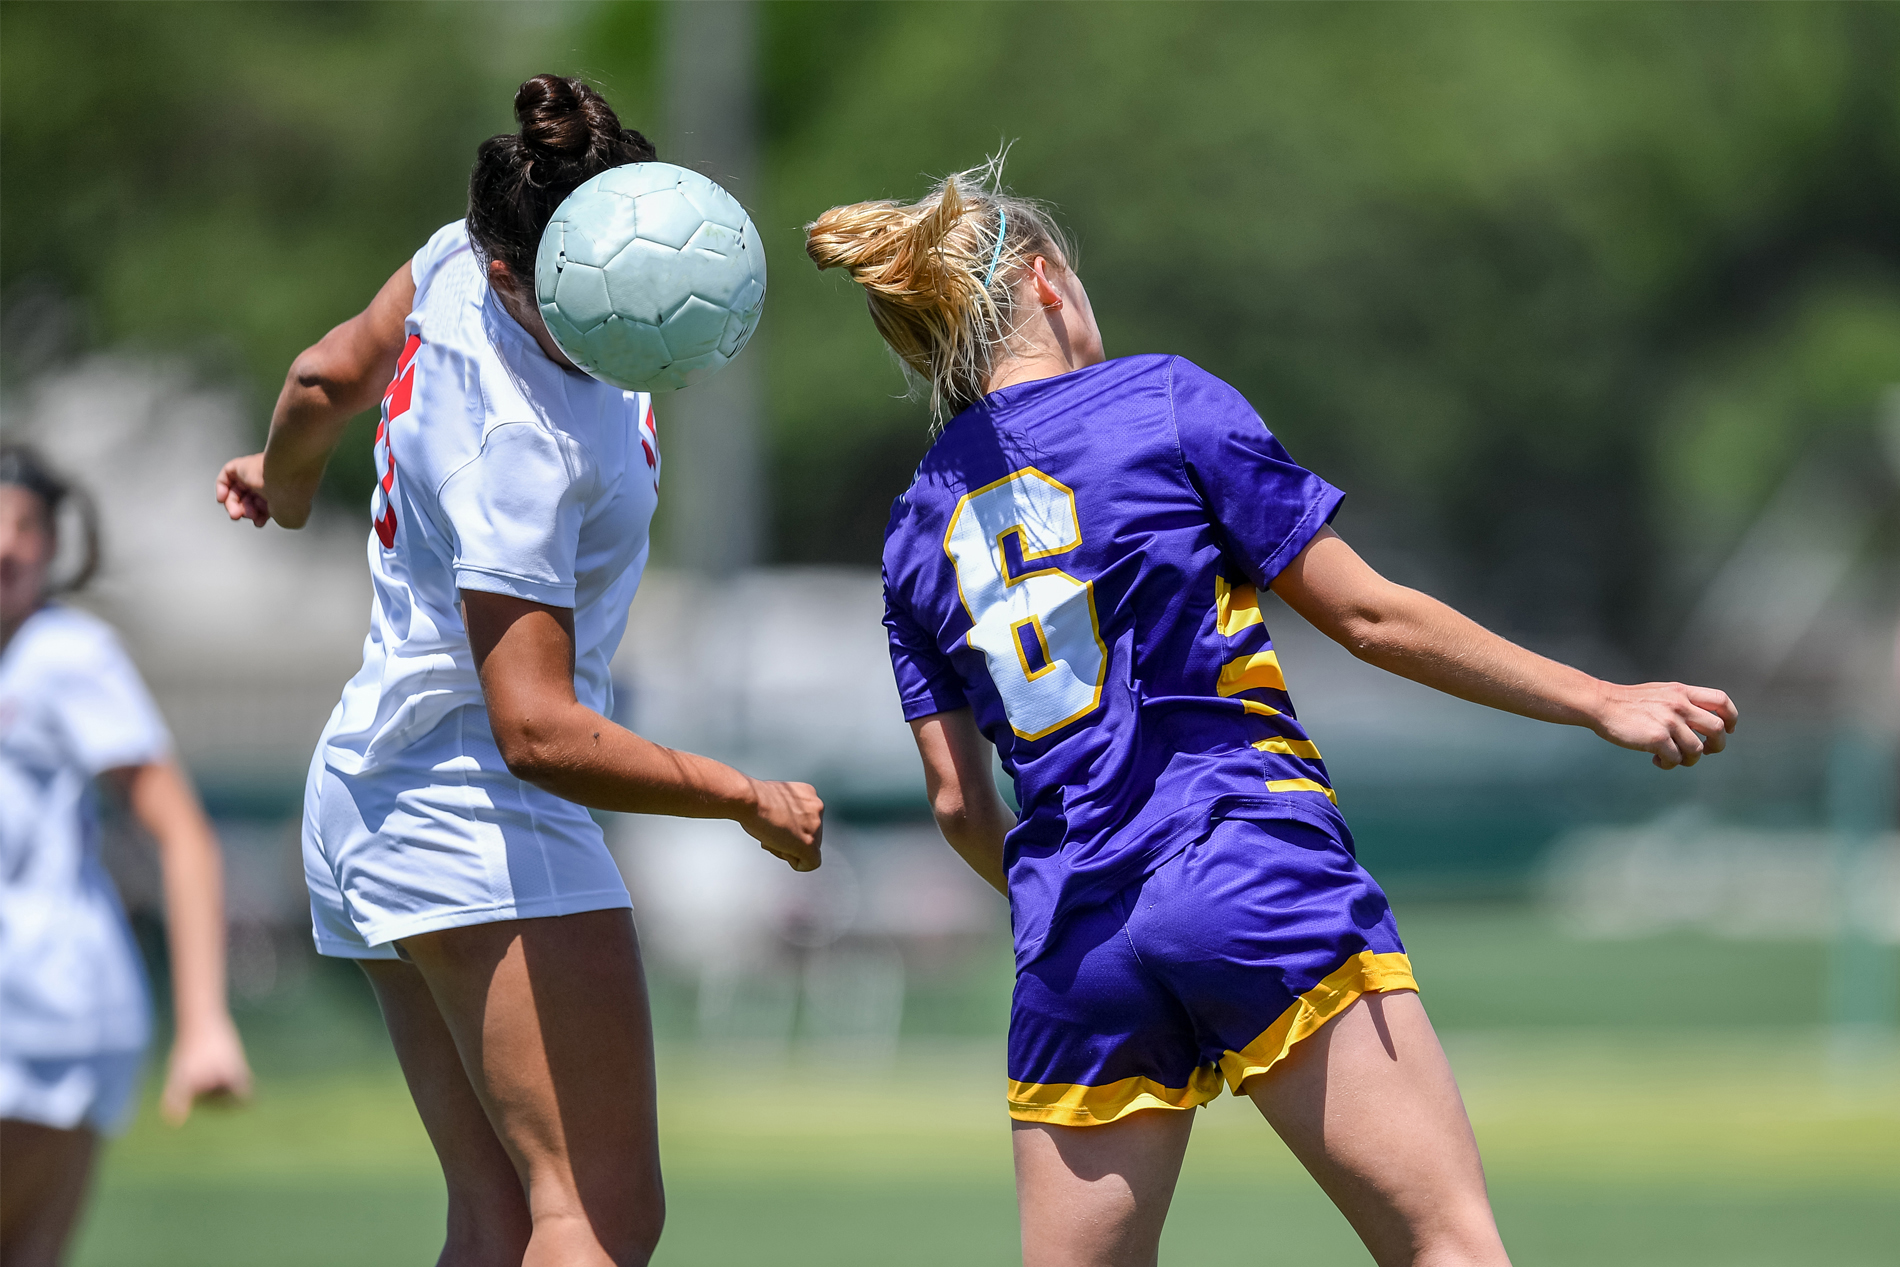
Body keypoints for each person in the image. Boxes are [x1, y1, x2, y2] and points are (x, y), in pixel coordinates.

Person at [807, 167, 1738, 1267]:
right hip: (1241, 861)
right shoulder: (1159, 399)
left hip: (1074, 939)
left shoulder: (915, 523)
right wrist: (1599, 698)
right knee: (1445, 1240)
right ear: (1047, 281)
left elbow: (962, 806)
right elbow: (1371, 618)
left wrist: (1082, 888)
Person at [214, 74, 822, 1267]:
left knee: (504, 1217)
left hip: (378, 783)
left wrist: (280, 481)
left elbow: (323, 376)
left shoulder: (454, 253)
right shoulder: (522, 450)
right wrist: (739, 794)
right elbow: (535, 729)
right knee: (592, 1216)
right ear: (512, 275)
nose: (637, 309)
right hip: (473, 807)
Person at [1, 444, 254, 1267]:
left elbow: (181, 834)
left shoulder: (67, 657)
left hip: (45, 1012)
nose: (7, 547)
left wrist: (206, 1022)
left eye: (26, 528)